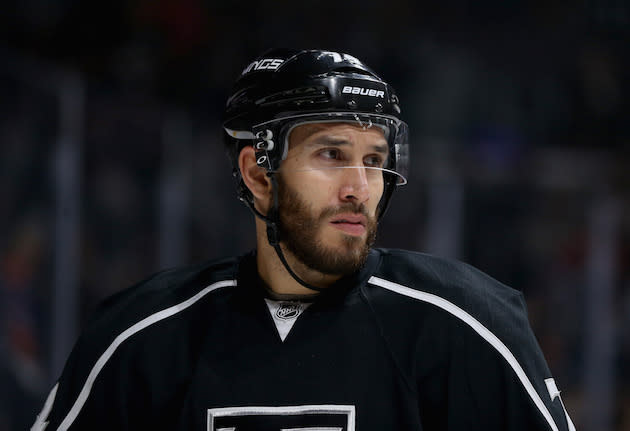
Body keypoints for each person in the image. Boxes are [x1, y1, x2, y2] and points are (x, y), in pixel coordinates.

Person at [33, 48, 576, 430]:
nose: (359, 188)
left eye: (374, 161)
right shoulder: (141, 339)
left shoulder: (467, 326)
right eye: (331, 155)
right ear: (258, 173)